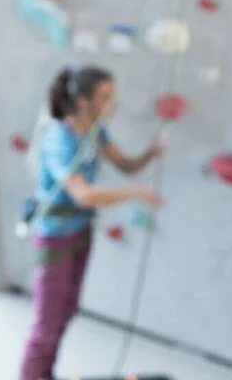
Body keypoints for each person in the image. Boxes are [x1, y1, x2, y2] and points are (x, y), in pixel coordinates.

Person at [20, 65, 163, 380]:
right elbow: (82, 194)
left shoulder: (95, 130)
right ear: (83, 100)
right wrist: (136, 193)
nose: (111, 103)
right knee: (47, 325)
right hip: (55, 238)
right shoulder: (58, 138)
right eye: (105, 97)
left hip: (80, 234)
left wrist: (151, 153)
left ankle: (45, 374)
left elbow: (125, 164)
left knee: (66, 311)